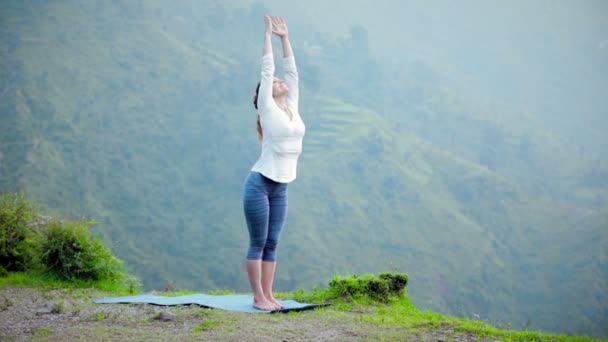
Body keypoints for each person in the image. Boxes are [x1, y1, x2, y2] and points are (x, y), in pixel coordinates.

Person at [242, 15, 305, 311]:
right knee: (258, 242)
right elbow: (268, 70)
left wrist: (285, 38)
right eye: (275, 82)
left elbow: (292, 73)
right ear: (264, 94)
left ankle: (269, 295)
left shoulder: (291, 107)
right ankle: (258, 298)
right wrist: (268, 35)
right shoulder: (268, 109)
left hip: (282, 186)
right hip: (260, 183)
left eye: (282, 82)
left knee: (273, 243)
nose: (281, 81)